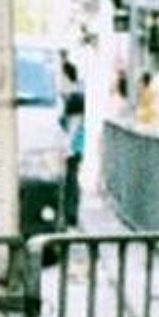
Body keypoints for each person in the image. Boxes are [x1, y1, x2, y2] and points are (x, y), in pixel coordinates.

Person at [59, 60, 84, 226]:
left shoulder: (75, 97)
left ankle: (71, 213)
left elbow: (74, 125)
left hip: (72, 146)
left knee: (70, 179)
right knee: (71, 178)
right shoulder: (71, 95)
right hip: (73, 145)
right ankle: (70, 212)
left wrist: (67, 146)